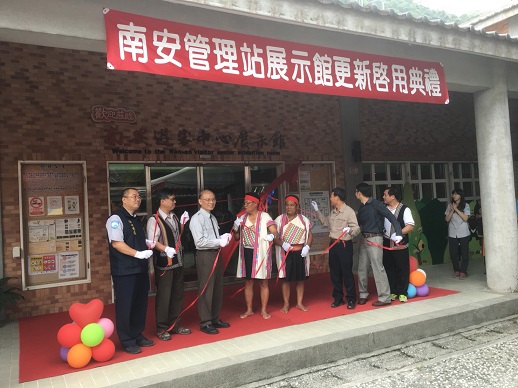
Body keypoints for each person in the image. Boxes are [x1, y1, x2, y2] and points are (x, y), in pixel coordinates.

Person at [106, 188, 155, 354]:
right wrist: (138, 254)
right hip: (125, 270)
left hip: (140, 269)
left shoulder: (135, 219)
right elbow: (117, 243)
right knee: (125, 305)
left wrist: (148, 244)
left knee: (139, 304)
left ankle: (137, 333)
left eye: (139, 196)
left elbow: (135, 239)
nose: (138, 199)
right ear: (124, 199)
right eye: (134, 196)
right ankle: (126, 339)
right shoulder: (116, 219)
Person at [146, 188, 191, 341]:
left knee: (178, 295)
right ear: (162, 201)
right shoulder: (154, 219)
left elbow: (176, 235)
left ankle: (175, 324)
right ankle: (162, 328)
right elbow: (152, 242)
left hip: (178, 262)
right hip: (164, 264)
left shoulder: (174, 217)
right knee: (164, 296)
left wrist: (183, 224)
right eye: (172, 199)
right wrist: (165, 248)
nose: (174, 202)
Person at [189, 190, 232, 335]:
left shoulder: (212, 217)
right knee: (206, 289)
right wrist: (218, 241)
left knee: (217, 287)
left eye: (213, 199)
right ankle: (205, 322)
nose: (211, 202)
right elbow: (200, 242)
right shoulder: (197, 219)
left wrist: (222, 238)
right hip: (205, 255)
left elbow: (212, 237)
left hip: (216, 254)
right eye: (207, 199)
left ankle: (214, 317)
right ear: (200, 201)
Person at [311, 187, 360, 310]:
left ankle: (351, 299)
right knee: (335, 273)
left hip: (344, 245)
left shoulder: (349, 211)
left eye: (332, 196)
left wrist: (349, 230)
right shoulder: (333, 212)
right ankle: (338, 298)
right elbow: (326, 222)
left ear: (337, 197)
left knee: (347, 272)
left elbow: (356, 228)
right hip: (333, 245)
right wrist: (317, 211)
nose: (330, 198)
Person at [355, 183, 402, 307]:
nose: (355, 194)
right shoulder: (362, 207)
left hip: (375, 238)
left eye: (356, 192)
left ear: (359, 193)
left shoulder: (376, 204)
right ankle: (363, 294)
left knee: (377, 267)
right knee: (362, 267)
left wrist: (399, 233)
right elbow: (359, 224)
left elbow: (392, 218)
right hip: (364, 238)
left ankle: (384, 297)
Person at [233, 192, 278, 319]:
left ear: (256, 203)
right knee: (248, 282)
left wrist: (272, 235)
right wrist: (236, 228)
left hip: (261, 253)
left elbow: (275, 231)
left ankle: (264, 310)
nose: (245, 205)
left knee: (263, 282)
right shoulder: (242, 218)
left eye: (248, 203)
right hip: (246, 252)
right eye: (245, 203)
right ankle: (249, 309)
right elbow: (237, 238)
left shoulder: (265, 216)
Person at [274, 195, 313, 313]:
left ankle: (299, 303)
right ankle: (286, 304)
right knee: (285, 279)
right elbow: (274, 238)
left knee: (300, 279)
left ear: (297, 206)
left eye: (292, 205)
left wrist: (307, 246)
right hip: (285, 253)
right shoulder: (279, 220)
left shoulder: (304, 220)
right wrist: (282, 244)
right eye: (287, 205)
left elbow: (310, 235)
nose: (289, 207)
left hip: (300, 253)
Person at [382, 187, 415, 303]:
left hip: (400, 243)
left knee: (402, 268)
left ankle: (402, 292)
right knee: (389, 268)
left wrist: (399, 233)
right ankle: (392, 291)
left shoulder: (404, 209)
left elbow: (410, 226)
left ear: (393, 196)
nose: (383, 197)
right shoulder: (383, 209)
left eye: (385, 195)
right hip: (386, 243)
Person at [445, 188, 471, 279]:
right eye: (453, 194)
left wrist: (456, 209)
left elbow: (465, 218)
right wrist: (452, 210)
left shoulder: (466, 205)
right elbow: (447, 219)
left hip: (463, 232)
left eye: (456, 194)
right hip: (452, 233)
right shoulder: (449, 205)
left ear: (460, 195)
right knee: (453, 253)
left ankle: (463, 271)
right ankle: (456, 270)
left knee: (464, 253)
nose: (454, 196)